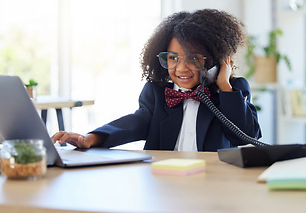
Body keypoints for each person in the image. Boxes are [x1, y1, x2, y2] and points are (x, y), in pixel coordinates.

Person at [51, 9, 262, 152]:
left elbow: (246, 136)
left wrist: (224, 86)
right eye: (172, 58)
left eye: (193, 58)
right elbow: (135, 123)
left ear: (217, 61)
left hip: (214, 184)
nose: (180, 68)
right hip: (164, 183)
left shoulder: (232, 91)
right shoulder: (156, 92)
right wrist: (91, 138)